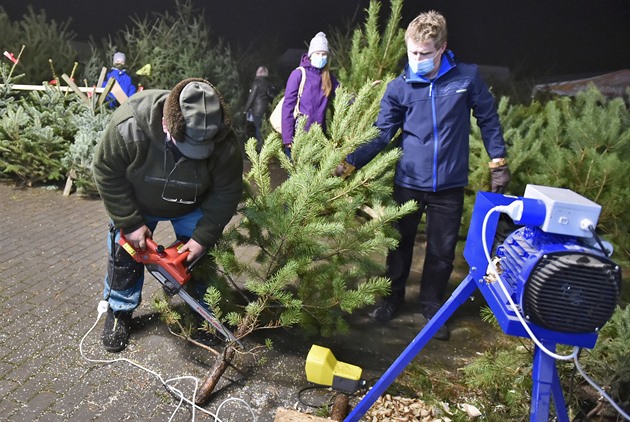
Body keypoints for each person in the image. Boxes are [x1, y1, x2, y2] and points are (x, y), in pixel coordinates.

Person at [336, 11, 511, 340]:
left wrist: (498, 161)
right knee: (400, 244)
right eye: (412, 52)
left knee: (442, 250)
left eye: (425, 53)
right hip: (408, 182)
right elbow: (381, 134)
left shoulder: (465, 79)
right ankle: (392, 298)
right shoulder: (399, 89)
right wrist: (349, 163)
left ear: (442, 47)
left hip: (449, 184)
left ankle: (431, 304)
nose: (416, 59)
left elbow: (488, 118)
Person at [92, 78, 243, 352]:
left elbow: (226, 193)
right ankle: (119, 310)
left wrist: (202, 238)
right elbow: (105, 171)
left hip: (192, 203)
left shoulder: (225, 142)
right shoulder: (130, 124)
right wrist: (130, 222)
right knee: (124, 256)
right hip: (138, 200)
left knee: (199, 259)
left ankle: (204, 314)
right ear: (167, 124)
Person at [281, 31, 339, 157]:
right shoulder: (298, 74)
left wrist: (365, 93)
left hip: (319, 137)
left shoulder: (328, 77)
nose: (321, 57)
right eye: (318, 53)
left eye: (324, 54)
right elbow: (288, 106)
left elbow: (342, 94)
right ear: (311, 55)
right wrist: (287, 138)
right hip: (299, 137)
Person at [244, 66, 276, 153]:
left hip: (257, 109)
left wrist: (246, 109)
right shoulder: (268, 83)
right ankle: (265, 146)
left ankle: (260, 147)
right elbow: (271, 95)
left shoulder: (256, 82)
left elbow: (252, 97)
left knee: (258, 128)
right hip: (266, 108)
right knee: (263, 127)